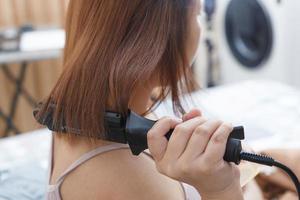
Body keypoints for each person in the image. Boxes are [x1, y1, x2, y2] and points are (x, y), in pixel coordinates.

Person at [36, 0, 244, 199]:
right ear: (157, 39)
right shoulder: (135, 184)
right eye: (197, 13)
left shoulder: (78, 114)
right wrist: (222, 190)